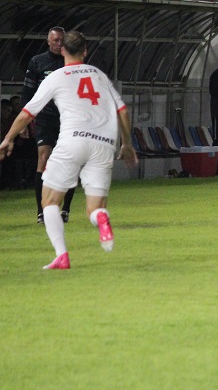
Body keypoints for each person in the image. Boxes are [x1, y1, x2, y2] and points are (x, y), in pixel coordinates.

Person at [0, 30, 138, 270]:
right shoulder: (99, 75)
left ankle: (62, 255)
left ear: (62, 50)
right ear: (85, 52)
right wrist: (126, 144)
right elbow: (123, 111)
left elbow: (27, 113)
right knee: (95, 207)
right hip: (104, 145)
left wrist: (8, 138)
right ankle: (101, 219)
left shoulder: (55, 77)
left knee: (49, 200)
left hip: (72, 141)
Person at [25, 26, 75, 223]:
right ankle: (41, 211)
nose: (59, 44)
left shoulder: (71, 62)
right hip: (45, 119)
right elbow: (28, 94)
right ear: (48, 41)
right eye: (55, 40)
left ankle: (66, 210)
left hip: (68, 120)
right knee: (43, 159)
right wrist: (25, 122)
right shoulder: (37, 62)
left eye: (61, 40)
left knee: (69, 164)